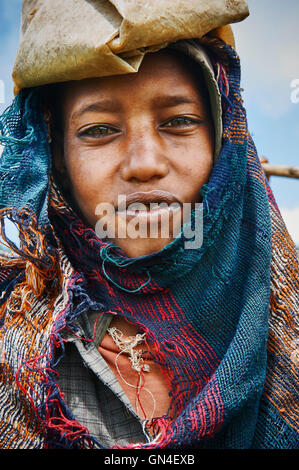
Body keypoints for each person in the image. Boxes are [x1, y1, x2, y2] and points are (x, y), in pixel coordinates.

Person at [0, 0, 298, 450]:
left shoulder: (285, 328)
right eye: (98, 129)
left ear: (224, 143)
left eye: (179, 121)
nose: (144, 164)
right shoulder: (14, 343)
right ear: (56, 160)